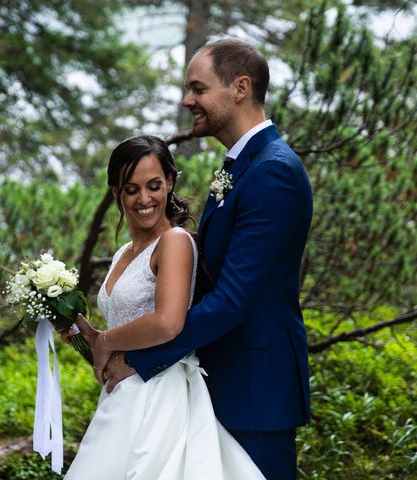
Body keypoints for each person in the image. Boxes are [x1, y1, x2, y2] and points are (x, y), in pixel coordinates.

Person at [97, 39, 314, 480]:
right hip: (213, 379)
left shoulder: (273, 172)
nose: (186, 100)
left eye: (198, 88)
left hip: (254, 388)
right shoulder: (238, 167)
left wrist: (140, 359)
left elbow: (234, 298)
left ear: (240, 88)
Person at [63, 135, 265, 479]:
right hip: (123, 394)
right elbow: (127, 323)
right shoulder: (122, 253)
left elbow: (168, 322)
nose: (145, 199)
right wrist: (90, 335)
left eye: (154, 186)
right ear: (116, 192)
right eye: (131, 189)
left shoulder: (174, 241)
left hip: (158, 393)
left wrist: (107, 341)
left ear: (170, 182)